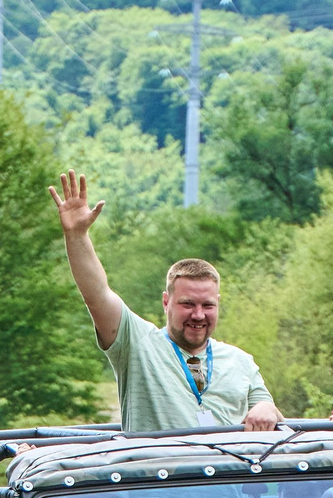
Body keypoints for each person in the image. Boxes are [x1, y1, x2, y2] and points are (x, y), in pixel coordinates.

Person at [51, 171, 282, 435]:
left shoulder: (241, 361)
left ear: (218, 304)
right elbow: (97, 295)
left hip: (224, 477)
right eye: (187, 304)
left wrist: (267, 406)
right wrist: (77, 236)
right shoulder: (137, 344)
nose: (198, 315)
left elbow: (276, 425)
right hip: (162, 475)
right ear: (166, 302)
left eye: (207, 306)